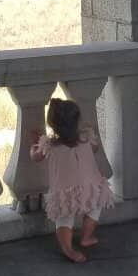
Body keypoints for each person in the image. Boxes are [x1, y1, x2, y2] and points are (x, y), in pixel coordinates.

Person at [29, 97, 113, 263]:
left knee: (64, 218)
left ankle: (68, 248)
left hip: (65, 192)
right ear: (77, 122)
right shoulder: (86, 139)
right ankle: (86, 237)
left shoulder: (49, 146)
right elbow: (95, 148)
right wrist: (91, 132)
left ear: (53, 126)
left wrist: (34, 143)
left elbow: (35, 156)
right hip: (90, 189)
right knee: (94, 209)